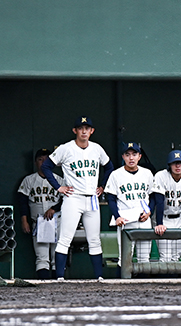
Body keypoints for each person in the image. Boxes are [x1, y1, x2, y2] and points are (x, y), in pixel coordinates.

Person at [41, 115, 113, 281]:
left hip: (92, 198)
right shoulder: (66, 148)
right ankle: (59, 277)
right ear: (75, 130)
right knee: (65, 237)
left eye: (87, 128)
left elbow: (109, 167)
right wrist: (59, 187)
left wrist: (102, 186)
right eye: (80, 128)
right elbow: (46, 166)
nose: (84, 131)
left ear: (92, 131)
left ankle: (99, 277)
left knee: (94, 239)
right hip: (73, 198)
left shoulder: (97, 149)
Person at [104, 142, 154, 267]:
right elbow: (111, 198)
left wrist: (149, 211)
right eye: (127, 154)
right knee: (124, 258)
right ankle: (121, 286)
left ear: (139, 156)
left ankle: (145, 286)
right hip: (125, 219)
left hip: (144, 219)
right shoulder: (116, 175)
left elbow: (153, 196)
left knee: (144, 258)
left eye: (134, 154)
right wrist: (117, 217)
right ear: (123, 157)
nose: (131, 158)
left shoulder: (147, 173)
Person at [17, 148, 63, 279]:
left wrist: (54, 208)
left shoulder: (59, 180)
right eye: (40, 159)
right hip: (38, 222)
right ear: (36, 162)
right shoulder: (29, 180)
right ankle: (43, 285)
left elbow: (67, 199)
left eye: (46, 159)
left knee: (57, 254)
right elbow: (22, 201)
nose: (43, 162)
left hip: (57, 221)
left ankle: (58, 285)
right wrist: (24, 220)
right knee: (41, 255)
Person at [152, 149, 181, 262]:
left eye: (180, 163)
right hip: (163, 217)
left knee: (176, 257)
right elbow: (158, 201)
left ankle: (173, 280)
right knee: (165, 258)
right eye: (174, 163)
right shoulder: (161, 176)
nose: (177, 166)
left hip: (180, 218)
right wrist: (159, 224)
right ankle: (164, 280)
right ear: (169, 165)